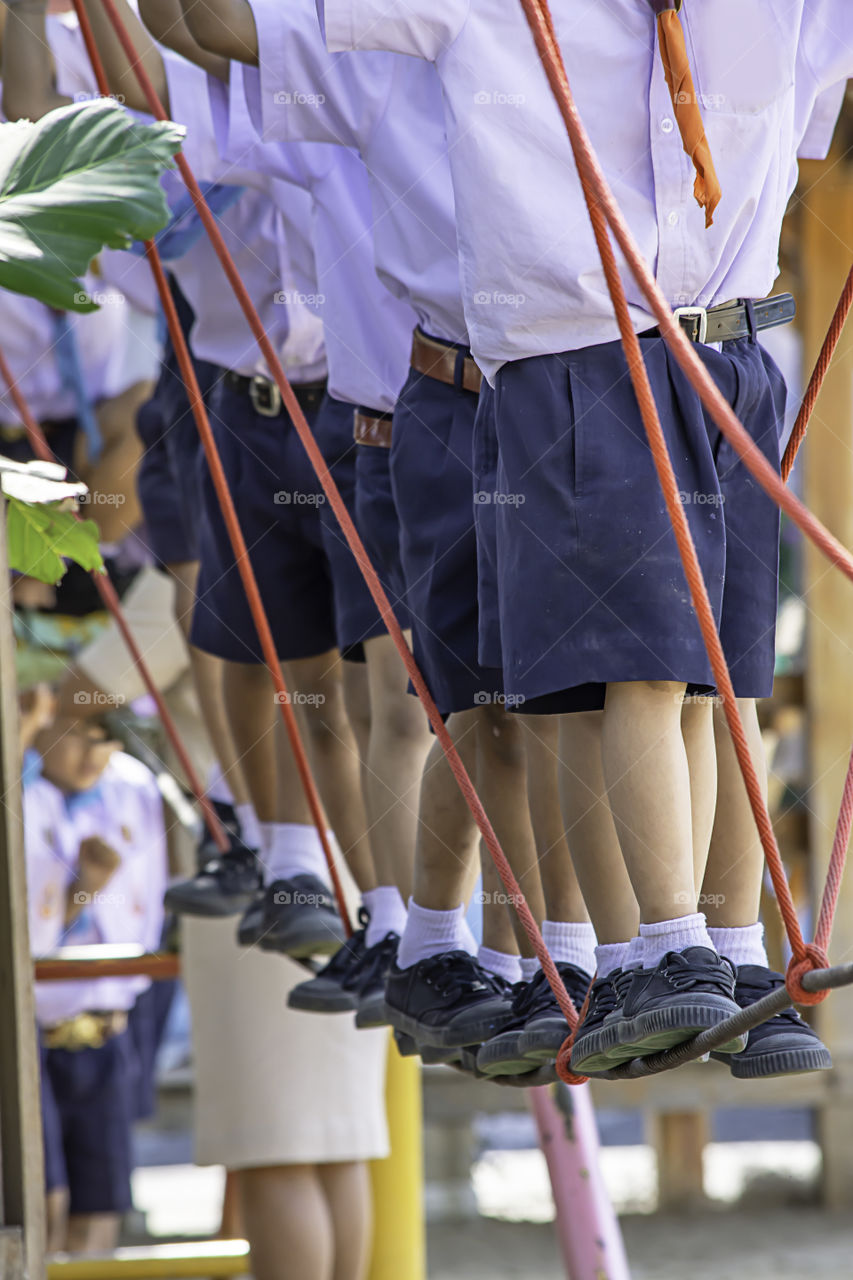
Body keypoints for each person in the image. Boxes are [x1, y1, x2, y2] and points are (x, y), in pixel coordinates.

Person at [319, 0, 852, 1072]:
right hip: (574, 356)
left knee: (722, 677)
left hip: (731, 349)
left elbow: (808, 119)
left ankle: (724, 947)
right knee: (599, 682)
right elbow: (223, 26)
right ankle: (637, 947)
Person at [23, 712, 167, 1254]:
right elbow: (28, 937)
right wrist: (82, 891)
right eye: (74, 732)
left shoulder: (131, 786)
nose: (91, 751)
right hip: (34, 1029)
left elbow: (146, 913)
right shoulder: (23, 788)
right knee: (43, 1201)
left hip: (108, 1023)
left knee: (101, 1204)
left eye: (104, 736)